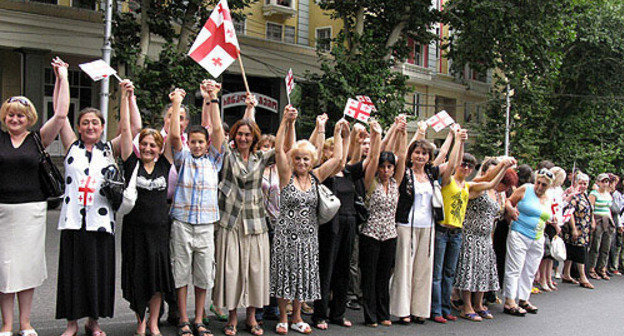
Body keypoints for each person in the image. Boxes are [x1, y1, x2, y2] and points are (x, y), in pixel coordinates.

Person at [0, 57, 69, 336]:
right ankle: (6, 324)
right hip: (2, 211)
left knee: (26, 269)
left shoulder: (38, 139)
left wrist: (62, 78)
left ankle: (26, 323)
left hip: (31, 212)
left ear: (29, 119)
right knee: (5, 271)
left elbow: (62, 114)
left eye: (20, 115)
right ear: (4, 117)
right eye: (10, 115)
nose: (15, 119)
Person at [55, 98, 135, 334]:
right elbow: (60, 114)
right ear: (78, 127)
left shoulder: (110, 149)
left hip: (100, 223)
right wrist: (62, 78)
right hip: (73, 221)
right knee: (72, 274)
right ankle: (72, 323)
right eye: (85, 123)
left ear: (102, 127)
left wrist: (125, 96)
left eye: (95, 123)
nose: (90, 127)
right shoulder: (72, 146)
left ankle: (94, 321)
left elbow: (130, 128)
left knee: (97, 274)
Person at [213, 93, 287, 336]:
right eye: (239, 134)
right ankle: (233, 318)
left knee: (256, 271)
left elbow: (283, 146)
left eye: (248, 134)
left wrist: (287, 120)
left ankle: (252, 318)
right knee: (232, 271)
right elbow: (215, 129)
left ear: (254, 137)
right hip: (230, 222)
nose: (243, 138)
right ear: (234, 136)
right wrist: (213, 99)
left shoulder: (261, 157)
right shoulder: (226, 155)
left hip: (256, 223)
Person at [271, 107, 346, 335]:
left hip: (308, 237)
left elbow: (338, 159)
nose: (302, 162)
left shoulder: (316, 176)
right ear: (292, 160)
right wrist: (285, 122)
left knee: (303, 275)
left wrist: (338, 132)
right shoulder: (286, 174)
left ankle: (297, 317)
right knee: (285, 274)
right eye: (298, 158)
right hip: (285, 236)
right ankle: (283, 317)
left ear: (312, 160)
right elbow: (277, 150)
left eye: (306, 159)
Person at [119, 81, 175, 336]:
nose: (148, 148)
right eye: (144, 144)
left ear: (160, 149)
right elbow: (126, 128)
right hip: (135, 233)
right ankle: (140, 321)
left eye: (153, 145)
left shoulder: (165, 164)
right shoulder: (131, 163)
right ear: (138, 146)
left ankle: (154, 321)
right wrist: (124, 96)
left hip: (160, 233)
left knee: (157, 281)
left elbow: (173, 135)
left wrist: (176, 104)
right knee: (139, 278)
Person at [169, 80, 224, 336]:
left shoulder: (214, 160)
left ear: (207, 142)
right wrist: (176, 101)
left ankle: (199, 319)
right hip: (181, 224)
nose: (198, 145)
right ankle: (183, 319)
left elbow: (219, 134)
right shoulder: (182, 158)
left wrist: (212, 98)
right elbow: (172, 136)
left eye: (202, 141)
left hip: (205, 226)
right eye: (194, 141)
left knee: (203, 276)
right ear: (188, 142)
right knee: (181, 274)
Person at [453, 158, 516, 322]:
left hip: (486, 237)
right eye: (492, 170)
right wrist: (502, 166)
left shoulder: (495, 192)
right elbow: (487, 182)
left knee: (483, 271)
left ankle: (479, 304)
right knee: (469, 270)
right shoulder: (476, 186)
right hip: (471, 234)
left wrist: (505, 168)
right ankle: (466, 306)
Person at [312, 116, 359, 330]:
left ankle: (338, 313)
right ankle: (320, 314)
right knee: (327, 268)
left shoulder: (348, 172)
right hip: (330, 224)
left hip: (349, 222)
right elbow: (339, 160)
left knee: (343, 268)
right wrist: (338, 133)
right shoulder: (324, 171)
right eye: (329, 149)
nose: (334, 153)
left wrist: (347, 136)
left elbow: (346, 159)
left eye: (335, 148)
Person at [359, 118, 407, 327]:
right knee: (369, 277)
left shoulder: (396, 183)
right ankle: (370, 316)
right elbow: (372, 156)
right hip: (370, 234)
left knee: (383, 276)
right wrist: (378, 134)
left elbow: (403, 156)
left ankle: (383, 313)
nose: (386, 170)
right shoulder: (371, 181)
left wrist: (402, 132)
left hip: (389, 234)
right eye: (383, 166)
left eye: (390, 167)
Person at [502, 168, 554, 316]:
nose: (539, 187)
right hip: (520, 233)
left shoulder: (547, 198)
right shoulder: (525, 189)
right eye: (538, 182)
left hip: (537, 237)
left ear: (549, 186)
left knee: (530, 270)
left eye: (544, 185)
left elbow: (545, 215)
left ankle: (523, 298)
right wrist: (510, 210)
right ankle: (509, 300)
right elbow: (509, 201)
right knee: (514, 267)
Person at [561, 173, 594, 289]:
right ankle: (582, 277)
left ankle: (566, 274)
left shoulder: (585, 196)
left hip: (585, 228)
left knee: (572, 251)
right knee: (580, 252)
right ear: (575, 183)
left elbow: (590, 210)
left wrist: (592, 221)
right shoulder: (574, 196)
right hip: (576, 227)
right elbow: (570, 213)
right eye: (581, 183)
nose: (583, 186)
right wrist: (574, 229)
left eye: (585, 184)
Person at [537, 167, 566, 292]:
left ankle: (548, 278)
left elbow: (559, 206)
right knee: (546, 254)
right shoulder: (548, 190)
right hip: (549, 223)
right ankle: (542, 279)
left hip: (556, 222)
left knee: (551, 255)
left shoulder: (558, 190)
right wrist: (555, 223)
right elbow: (548, 208)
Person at [587, 173, 614, 280]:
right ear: (597, 182)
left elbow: (609, 208)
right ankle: (591, 268)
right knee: (595, 246)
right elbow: (591, 208)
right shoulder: (594, 193)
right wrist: (592, 221)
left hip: (607, 219)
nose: (604, 183)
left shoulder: (608, 194)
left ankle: (602, 268)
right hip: (598, 219)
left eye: (606, 181)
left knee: (606, 246)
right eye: (602, 181)